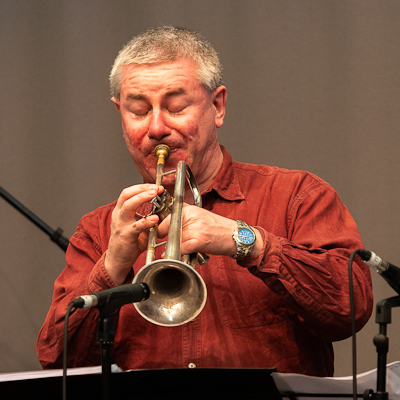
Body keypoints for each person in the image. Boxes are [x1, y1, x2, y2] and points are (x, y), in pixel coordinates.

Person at [37, 26, 373, 377]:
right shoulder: (97, 230)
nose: (156, 128)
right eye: (137, 110)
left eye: (176, 106)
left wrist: (247, 242)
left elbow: (349, 311)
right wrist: (111, 268)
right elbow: (58, 363)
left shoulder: (297, 196)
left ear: (218, 106)